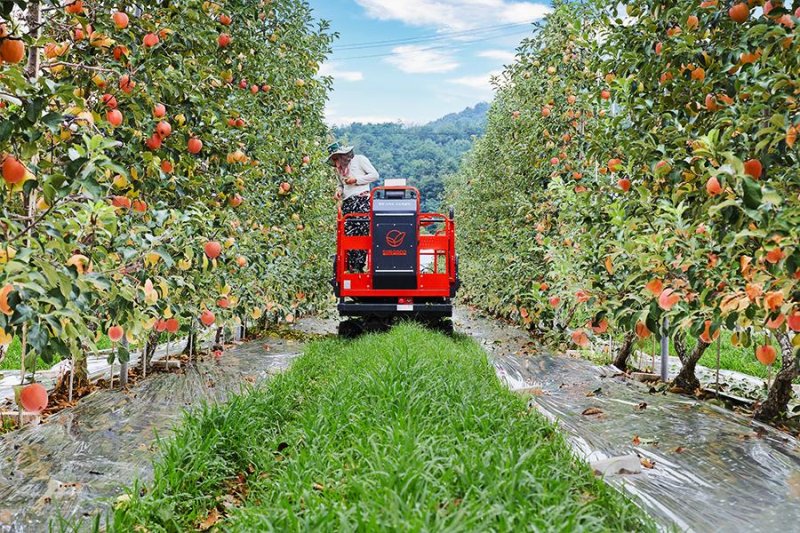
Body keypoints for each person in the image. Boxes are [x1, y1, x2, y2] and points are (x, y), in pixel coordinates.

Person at [327, 142, 380, 273]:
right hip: (348, 202)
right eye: (334, 159)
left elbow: (374, 175)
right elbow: (340, 184)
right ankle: (351, 265)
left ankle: (359, 266)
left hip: (362, 200)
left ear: (342, 155)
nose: (336, 161)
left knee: (361, 232)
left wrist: (356, 179)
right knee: (348, 233)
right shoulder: (339, 170)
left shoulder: (360, 160)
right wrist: (338, 191)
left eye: (336, 158)